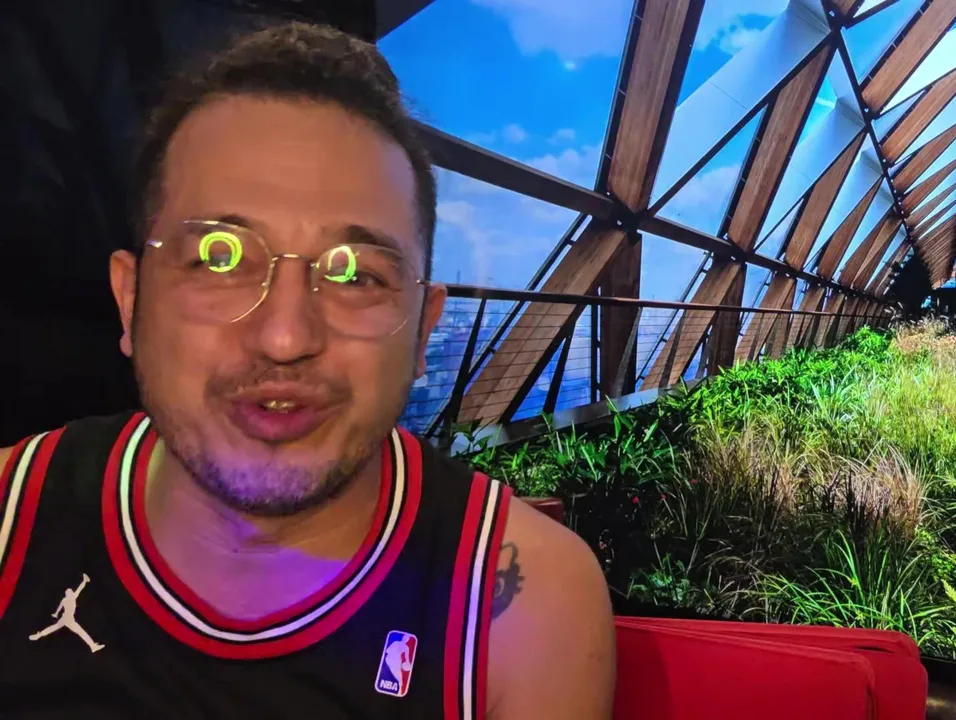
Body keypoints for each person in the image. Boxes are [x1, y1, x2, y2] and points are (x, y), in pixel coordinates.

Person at [0, 22, 614, 718]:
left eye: (356, 275)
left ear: (423, 329)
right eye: (223, 259)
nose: (285, 337)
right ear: (130, 299)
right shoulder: (12, 523)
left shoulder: (523, 619)